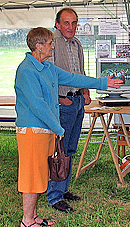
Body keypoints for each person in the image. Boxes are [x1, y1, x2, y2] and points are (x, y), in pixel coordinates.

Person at [15, 27, 122, 227]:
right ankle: (27, 222)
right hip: (31, 131)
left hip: (44, 130)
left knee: (40, 174)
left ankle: (34, 215)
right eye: (49, 43)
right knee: (31, 177)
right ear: (39, 46)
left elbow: (73, 78)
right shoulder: (26, 70)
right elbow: (37, 105)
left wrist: (103, 82)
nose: (53, 46)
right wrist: (58, 127)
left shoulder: (46, 67)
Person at [46, 7, 90, 213]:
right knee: (59, 150)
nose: (71, 27)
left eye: (74, 23)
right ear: (57, 24)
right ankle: (54, 196)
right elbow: (48, 77)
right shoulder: (51, 44)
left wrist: (86, 93)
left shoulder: (77, 44)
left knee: (70, 148)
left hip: (78, 100)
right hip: (64, 103)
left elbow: (81, 72)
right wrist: (60, 99)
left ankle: (63, 190)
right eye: (66, 23)